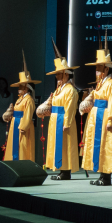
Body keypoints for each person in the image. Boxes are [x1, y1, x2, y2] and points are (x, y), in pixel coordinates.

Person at [79, 38, 112, 186]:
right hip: (96, 116)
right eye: (96, 68)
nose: (97, 71)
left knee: (106, 144)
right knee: (97, 144)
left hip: (104, 116)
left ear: (106, 70)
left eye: (99, 68)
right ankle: (101, 174)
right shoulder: (99, 85)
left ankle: (106, 176)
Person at [36, 44, 81, 180]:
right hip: (55, 119)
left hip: (63, 119)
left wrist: (66, 123)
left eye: (59, 74)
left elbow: (70, 108)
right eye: (56, 75)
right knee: (57, 145)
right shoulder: (58, 90)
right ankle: (61, 169)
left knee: (65, 145)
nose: (57, 77)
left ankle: (66, 171)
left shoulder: (70, 90)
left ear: (66, 74)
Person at [2, 59, 39, 161]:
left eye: (20, 87)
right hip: (15, 123)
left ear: (26, 88)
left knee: (23, 146)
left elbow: (28, 114)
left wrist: (23, 126)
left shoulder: (29, 99)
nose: (18, 89)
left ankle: (22, 163)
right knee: (14, 145)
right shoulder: (20, 99)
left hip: (22, 124)